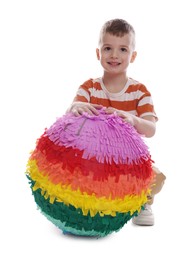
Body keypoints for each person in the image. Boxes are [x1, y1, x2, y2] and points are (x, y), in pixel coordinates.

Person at [68, 18, 166, 226]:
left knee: (155, 176)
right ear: (98, 54)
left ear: (133, 56)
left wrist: (132, 118)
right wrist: (74, 108)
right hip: (94, 157)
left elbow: (151, 129)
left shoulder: (140, 92)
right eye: (107, 48)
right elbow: (71, 114)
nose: (114, 55)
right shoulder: (89, 87)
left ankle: (141, 201)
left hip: (129, 158)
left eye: (123, 49)